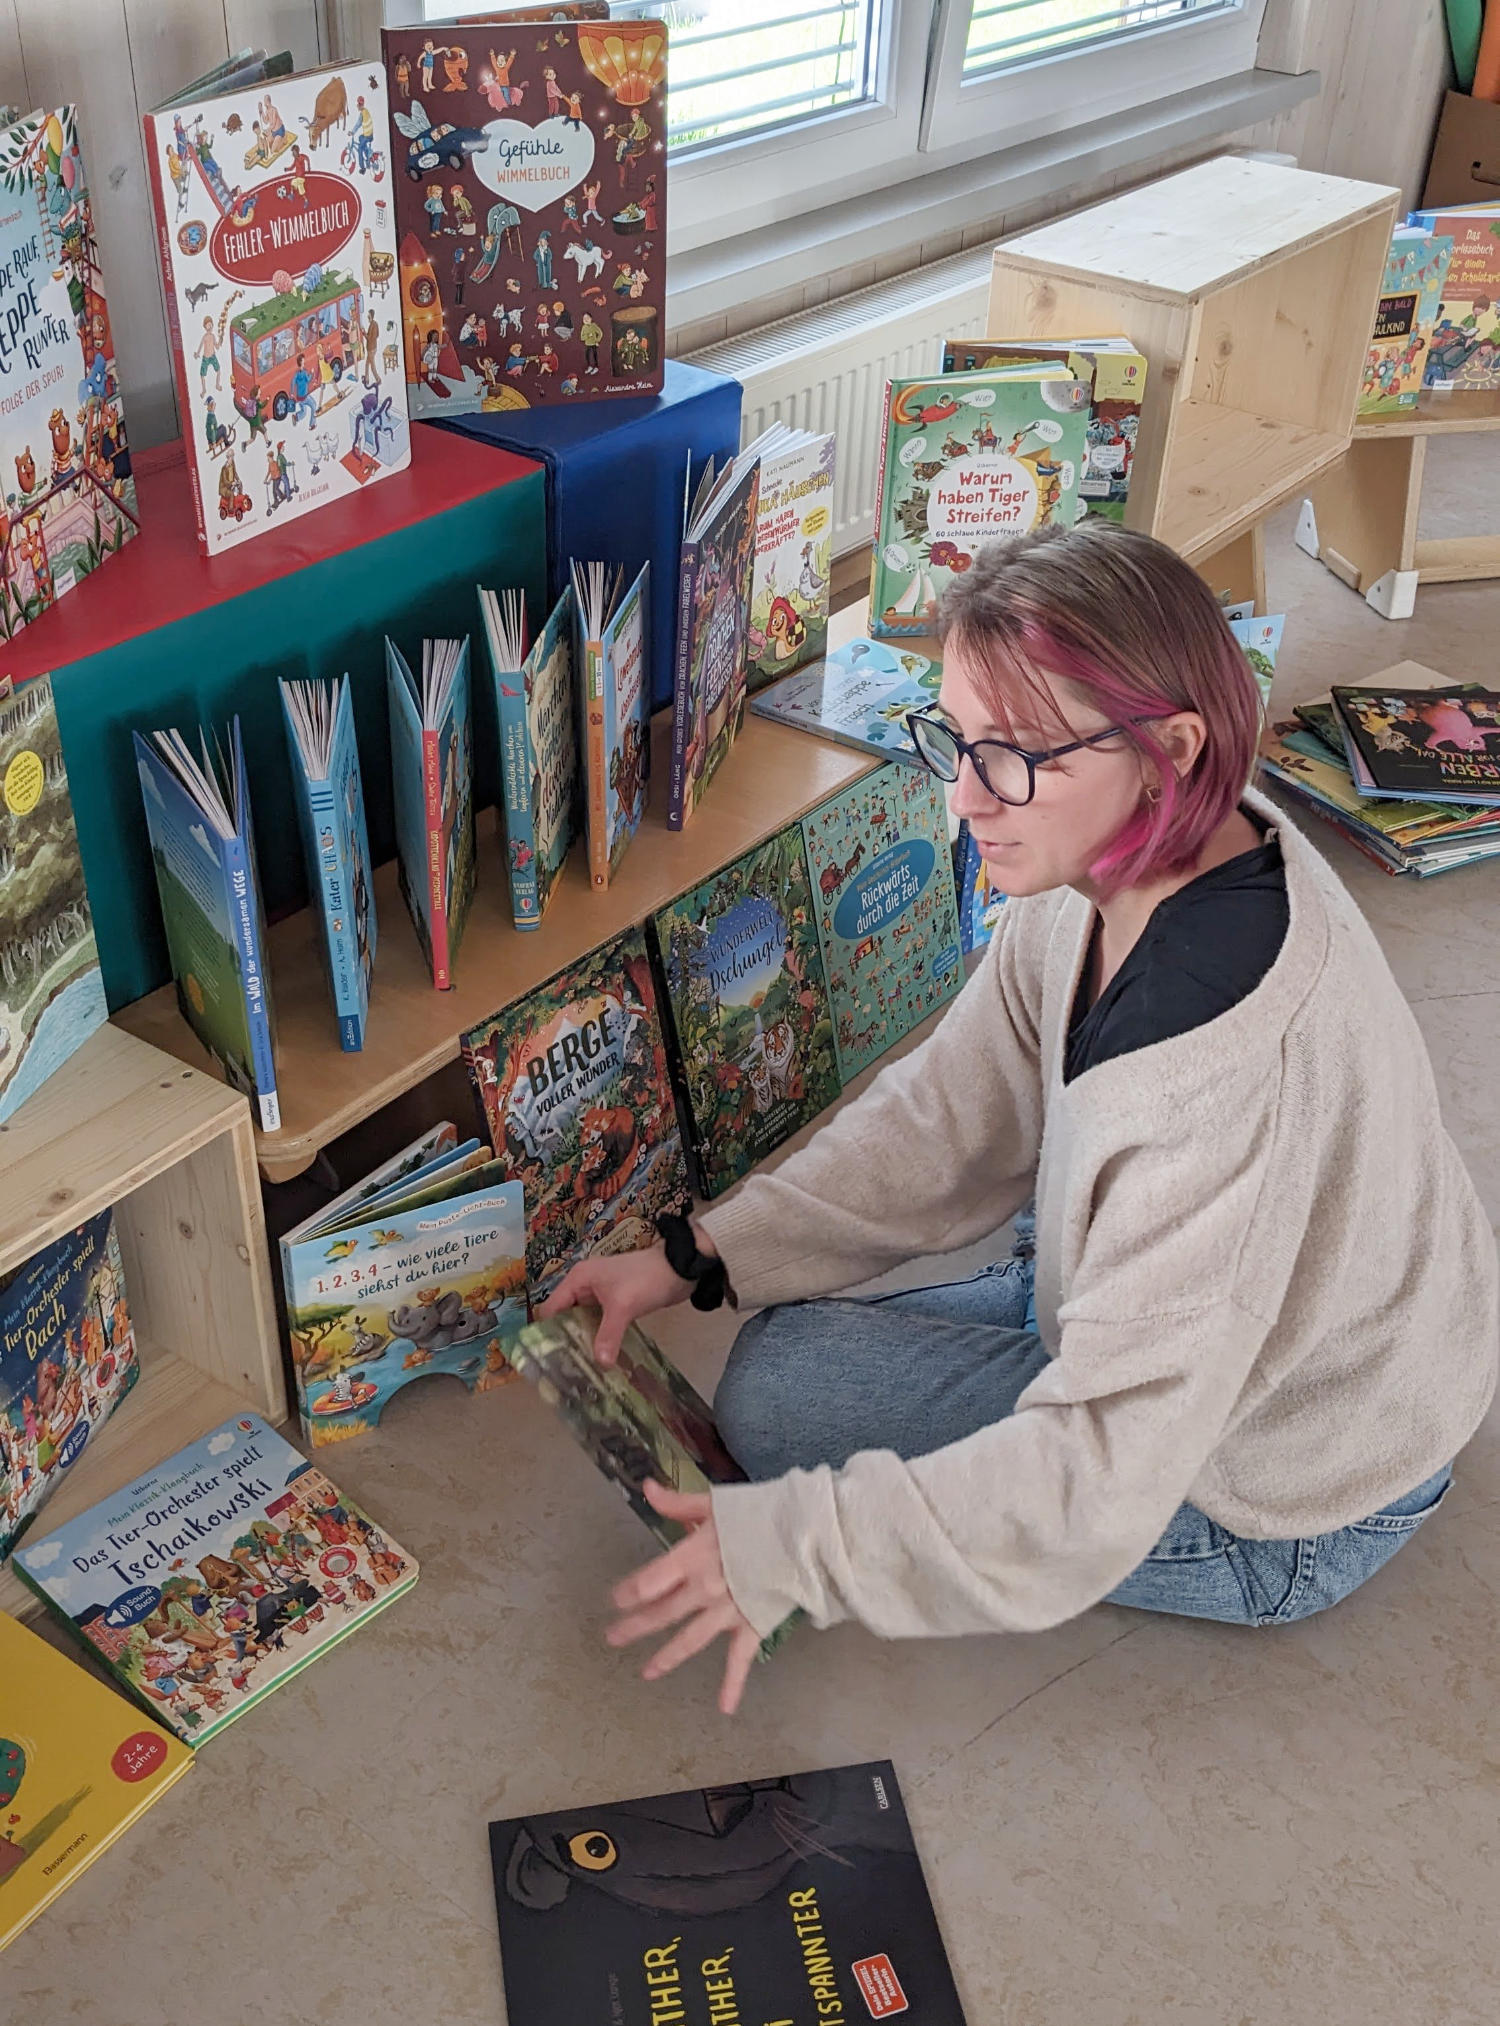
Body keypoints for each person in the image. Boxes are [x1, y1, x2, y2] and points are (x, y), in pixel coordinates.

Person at [542, 520, 1500, 1715]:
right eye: (958, 743)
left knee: (778, 1405)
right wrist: (698, 1252)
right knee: (783, 1361)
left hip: (1293, 1477)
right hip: (1248, 1322)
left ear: (1171, 746)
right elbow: (952, 1118)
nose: (964, 799)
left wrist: (806, 1545)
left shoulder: (1222, 1082)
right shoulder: (1128, 850)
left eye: (1013, 758)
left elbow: (1094, 1489)